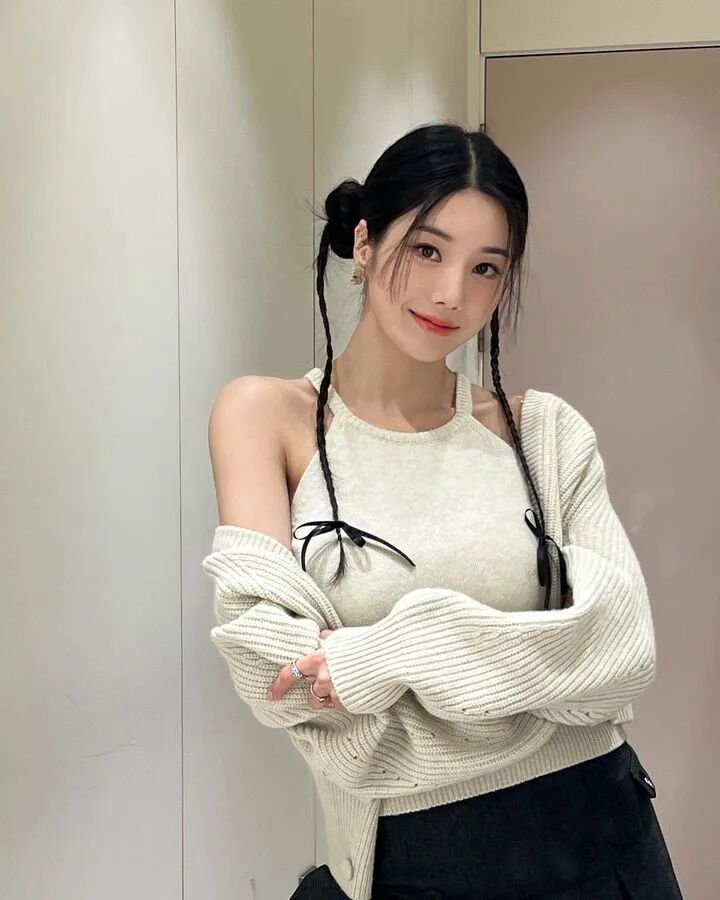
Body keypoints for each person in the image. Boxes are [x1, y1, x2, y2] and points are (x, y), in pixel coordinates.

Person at [206, 122, 683, 899]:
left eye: (486, 267)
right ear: (364, 243)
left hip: (599, 833)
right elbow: (272, 669)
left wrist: (389, 656)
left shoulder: (542, 434)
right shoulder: (267, 417)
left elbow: (621, 648)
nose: (451, 294)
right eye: (427, 249)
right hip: (412, 859)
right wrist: (538, 680)